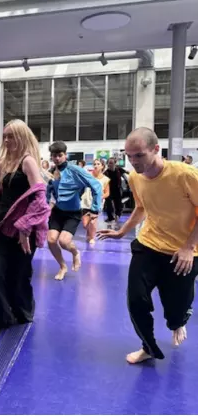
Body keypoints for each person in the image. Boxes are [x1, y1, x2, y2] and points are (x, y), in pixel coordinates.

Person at [98, 128, 198, 365]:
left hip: (183, 251)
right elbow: (141, 206)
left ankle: (178, 320)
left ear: (156, 150)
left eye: (139, 156)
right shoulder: (135, 177)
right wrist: (122, 231)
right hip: (148, 245)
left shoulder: (185, 175)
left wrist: (188, 247)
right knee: (136, 300)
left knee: (175, 309)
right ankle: (148, 347)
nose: (133, 162)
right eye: (129, 156)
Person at [0, 120, 50, 332]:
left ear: (22, 137)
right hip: (1, 226)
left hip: (23, 231)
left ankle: (22, 312)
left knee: (19, 276)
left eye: (11, 136)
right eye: (5, 136)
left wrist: (25, 228)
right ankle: (3, 316)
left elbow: (40, 199)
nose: (7, 140)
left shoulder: (28, 162)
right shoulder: (3, 164)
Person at [47, 141, 102, 280]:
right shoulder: (52, 173)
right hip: (58, 212)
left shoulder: (75, 170)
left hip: (73, 213)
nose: (57, 158)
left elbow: (96, 185)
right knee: (51, 240)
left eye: (59, 155)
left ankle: (75, 252)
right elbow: (49, 193)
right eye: (54, 156)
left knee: (64, 242)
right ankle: (62, 266)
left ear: (65, 155)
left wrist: (95, 209)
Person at [81, 159, 110, 245]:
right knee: (85, 224)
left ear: (102, 166)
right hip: (85, 202)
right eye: (94, 164)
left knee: (93, 221)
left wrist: (101, 197)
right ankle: (89, 233)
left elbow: (107, 192)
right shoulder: (88, 176)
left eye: (98, 164)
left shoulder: (105, 179)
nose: (96, 165)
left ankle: (92, 237)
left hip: (96, 203)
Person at [104, 157, 123, 224]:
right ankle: (110, 218)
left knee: (118, 204)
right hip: (109, 190)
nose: (110, 164)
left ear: (115, 163)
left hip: (117, 190)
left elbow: (126, 174)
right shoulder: (105, 173)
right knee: (109, 205)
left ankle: (117, 215)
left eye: (111, 163)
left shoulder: (119, 170)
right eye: (109, 163)